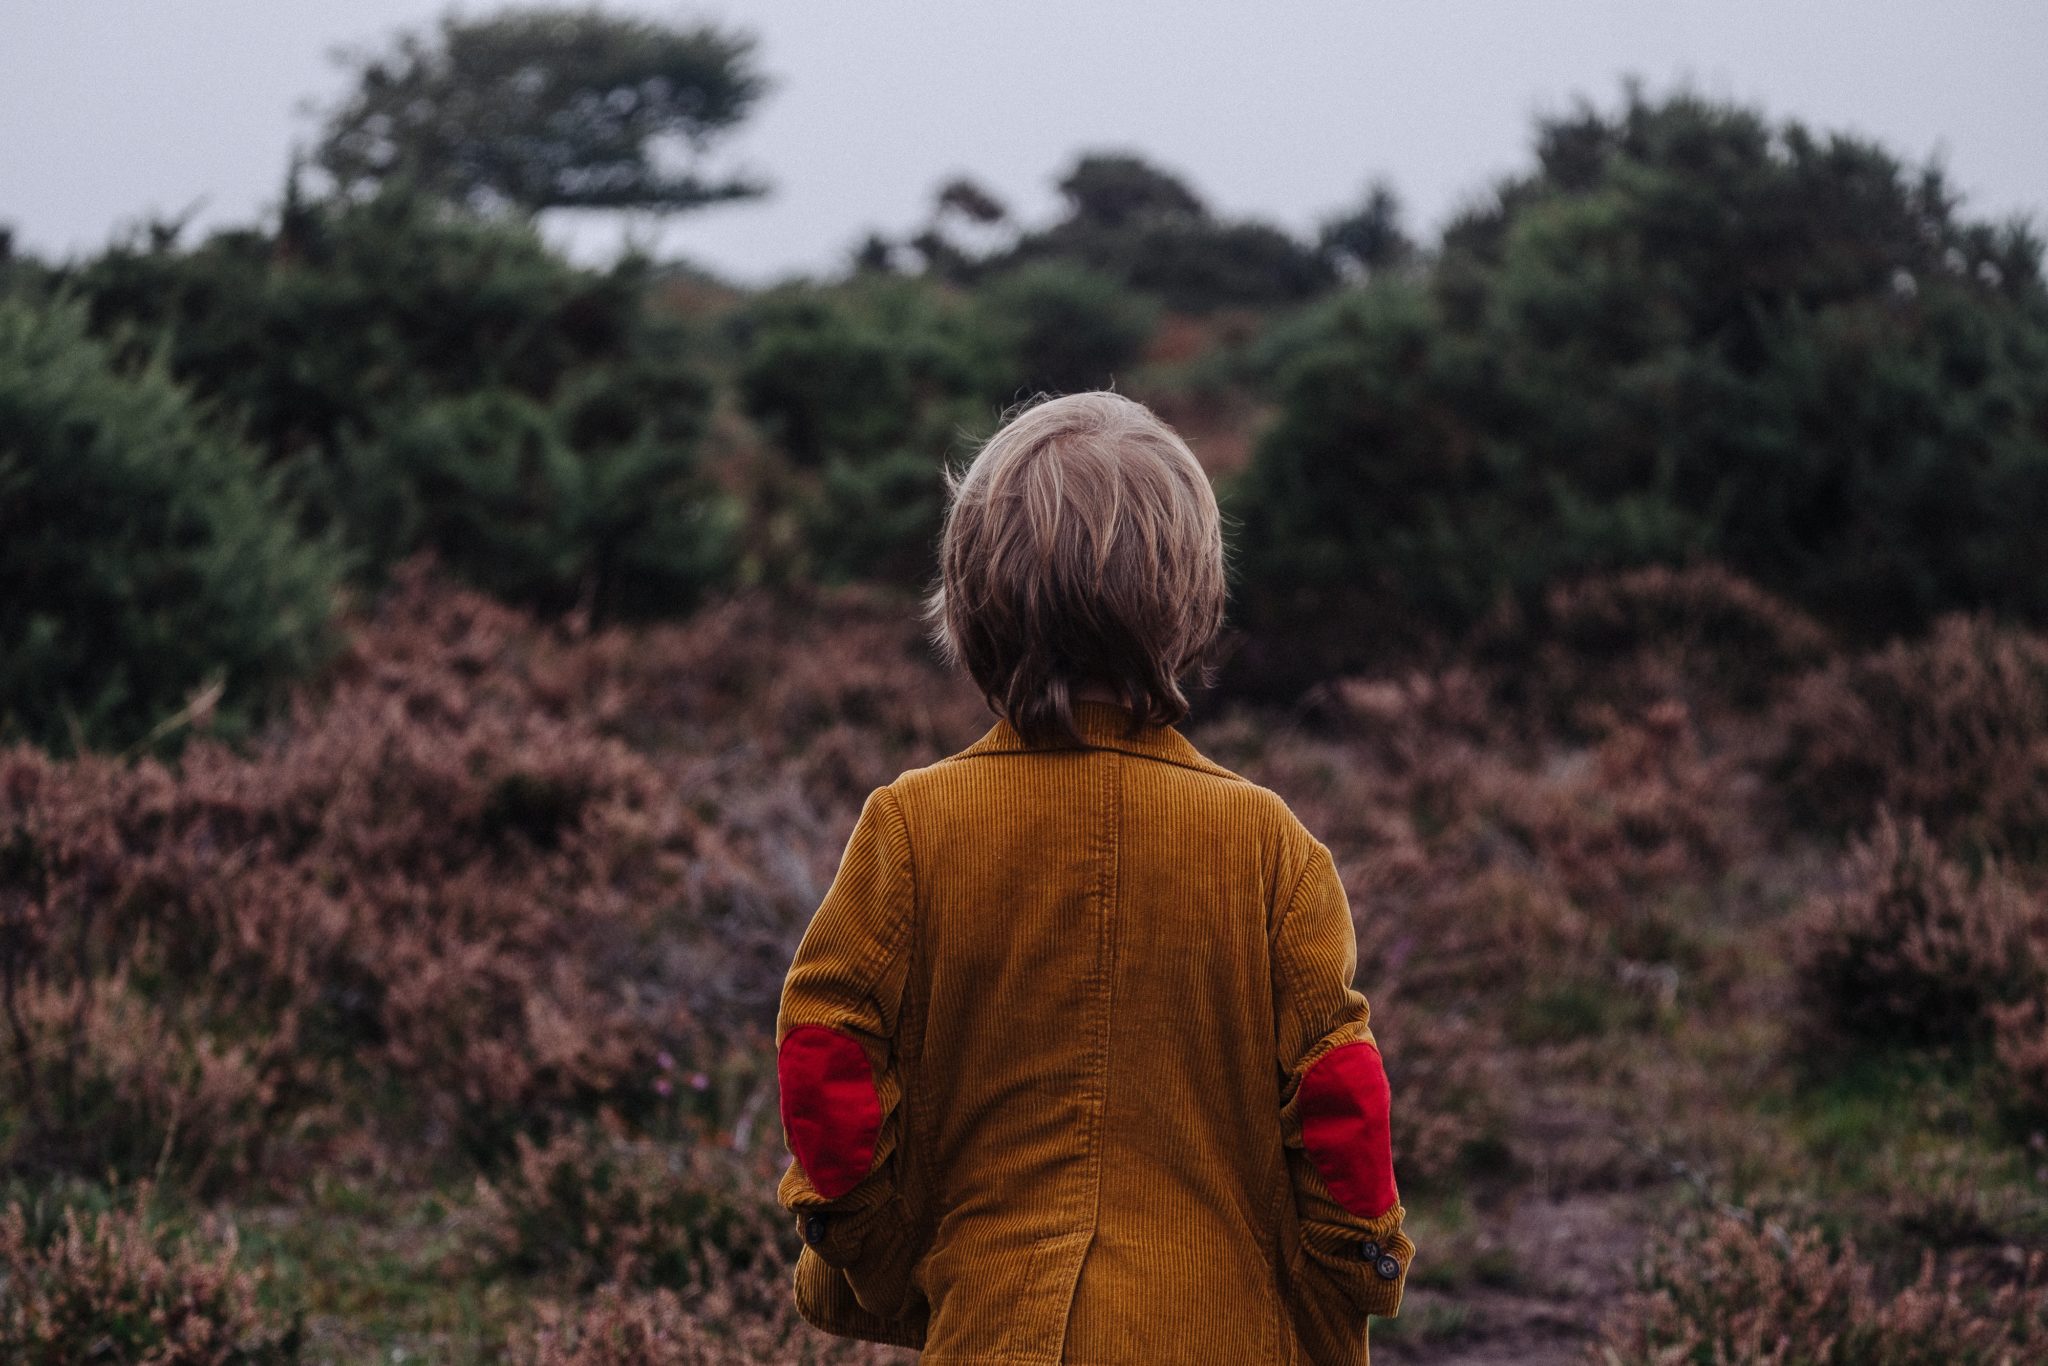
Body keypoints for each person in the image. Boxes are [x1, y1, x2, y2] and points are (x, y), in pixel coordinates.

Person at [773, 391, 1413, 1364]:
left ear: (969, 597)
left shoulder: (908, 827)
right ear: (1191, 598)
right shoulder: (1268, 845)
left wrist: (883, 1254)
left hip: (997, 1332)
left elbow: (827, 1058)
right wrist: (1348, 1282)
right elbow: (1340, 1108)